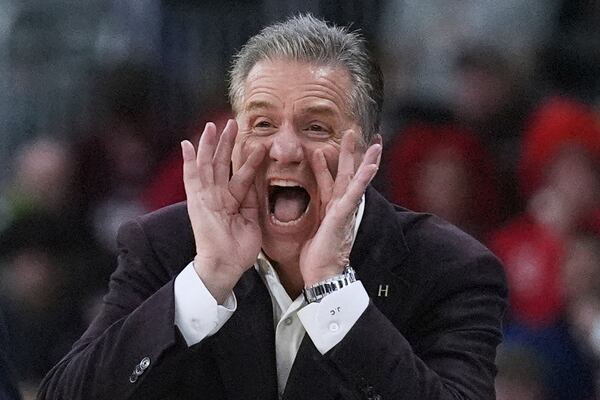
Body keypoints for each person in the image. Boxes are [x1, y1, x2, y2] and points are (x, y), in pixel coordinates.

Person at [38, 15, 507, 400]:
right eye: (262, 123)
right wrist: (206, 281)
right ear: (233, 138)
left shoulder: (451, 269)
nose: (284, 150)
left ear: (368, 155)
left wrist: (334, 291)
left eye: (317, 127)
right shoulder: (166, 246)